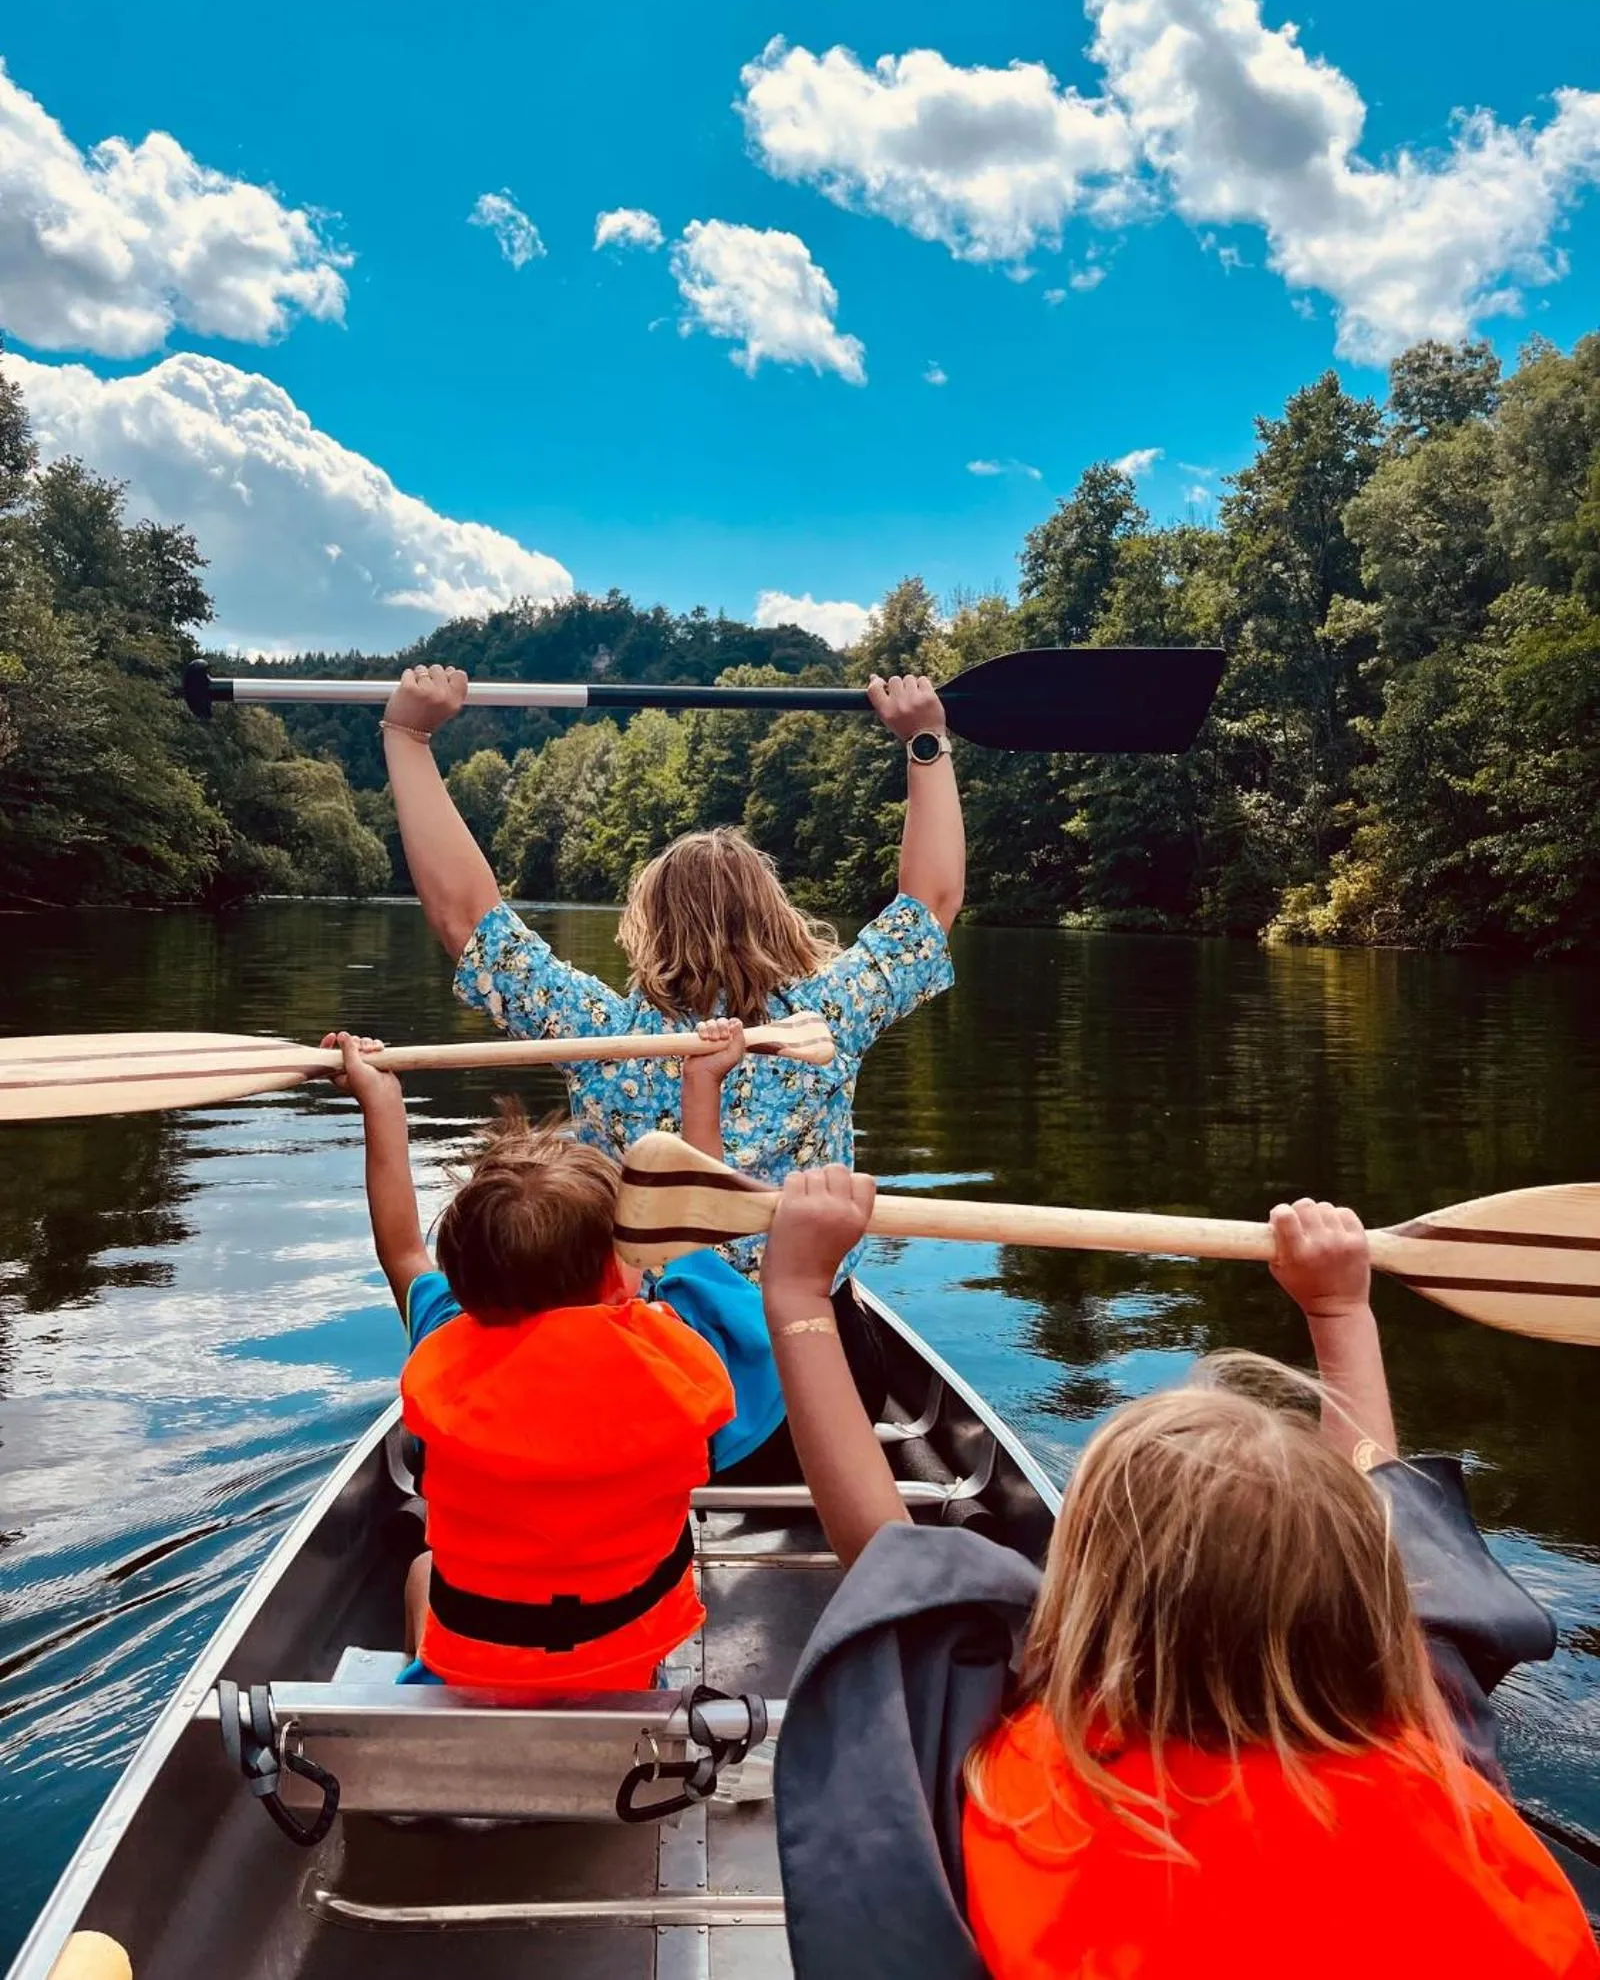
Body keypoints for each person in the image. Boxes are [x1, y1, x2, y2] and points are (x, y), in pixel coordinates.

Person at [757, 1173, 1599, 1980]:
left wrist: (796, 1291)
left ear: (1087, 1606)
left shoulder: (1027, 1785)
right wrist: (1343, 1309)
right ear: (1370, 1612)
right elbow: (1390, 1522)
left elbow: (888, 1557)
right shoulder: (1430, 1745)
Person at [376, 662, 963, 1283]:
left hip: (648, 1336)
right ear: (777, 917)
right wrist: (925, 743)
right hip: (798, 1329)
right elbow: (933, 901)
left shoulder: (601, 1037)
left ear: (649, 925)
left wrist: (407, 738)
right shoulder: (832, 1019)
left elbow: (466, 920)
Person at [321, 1026, 795, 1691]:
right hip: (623, 1660)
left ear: (468, 1279)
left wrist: (382, 1103)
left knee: (424, 1571)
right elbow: (694, 1237)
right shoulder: (675, 1364)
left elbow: (402, 1248)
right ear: (619, 1272)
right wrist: (702, 1084)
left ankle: (427, 1685)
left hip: (477, 1658)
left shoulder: (445, 1332)